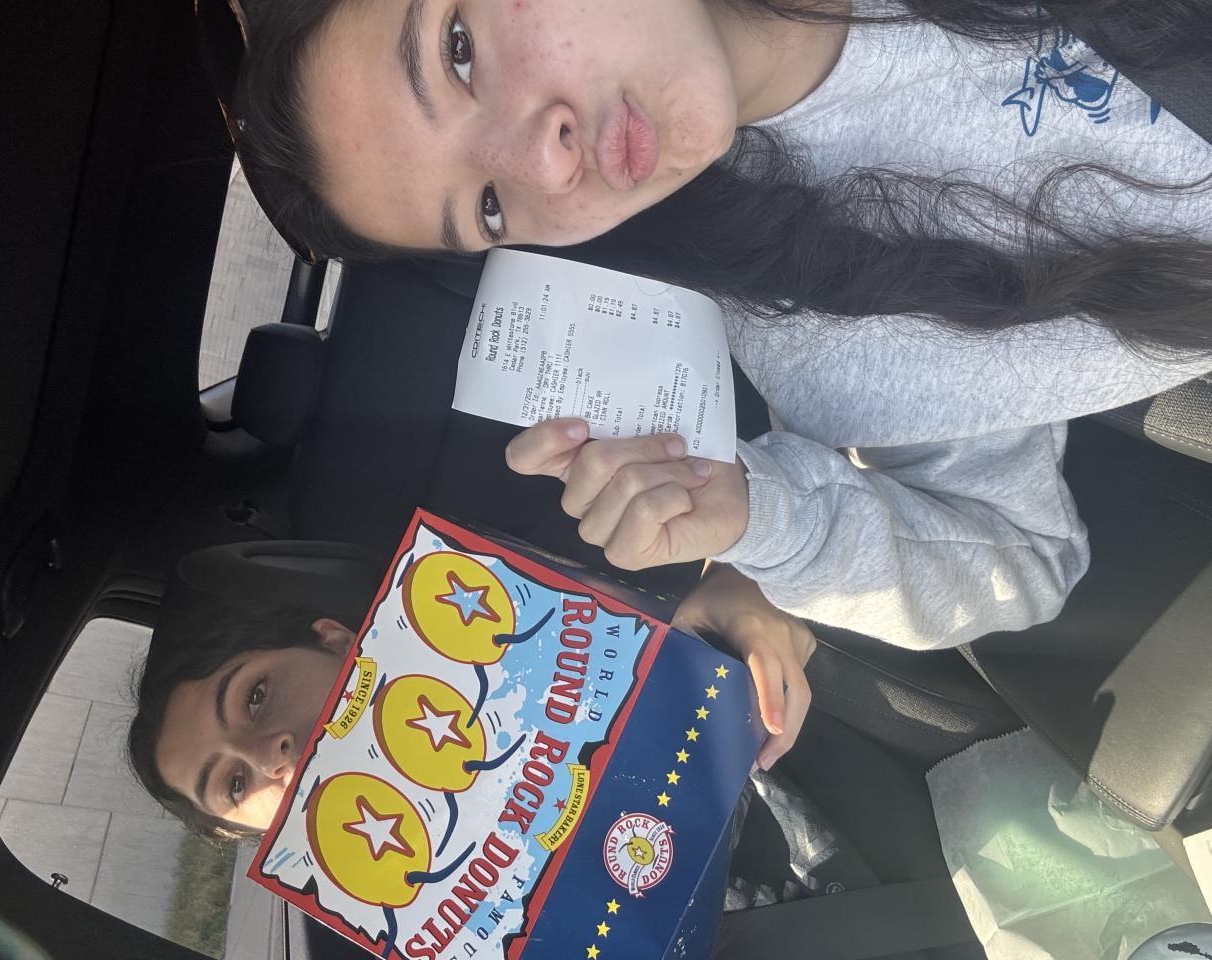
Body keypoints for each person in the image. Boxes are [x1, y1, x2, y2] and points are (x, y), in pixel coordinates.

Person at [229, 0, 1212, 669]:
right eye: (489, 207)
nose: (544, 163)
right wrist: (759, 517)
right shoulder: (825, 337)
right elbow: (1019, 559)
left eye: (456, 50)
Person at [128, 565, 817, 838]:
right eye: (234, 784)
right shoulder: (430, 927)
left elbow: (706, 595)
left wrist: (743, 600)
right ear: (254, 838)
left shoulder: (520, 622)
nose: (267, 753)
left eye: (254, 697)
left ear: (335, 639)